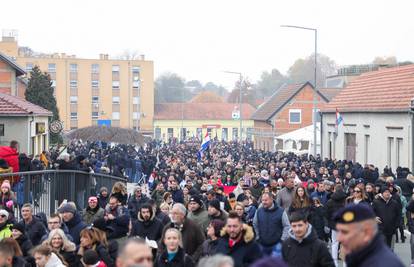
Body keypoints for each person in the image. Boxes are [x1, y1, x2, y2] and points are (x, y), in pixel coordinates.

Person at [334, 203, 404, 267]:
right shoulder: (359, 256)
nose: (339, 238)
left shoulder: (384, 263)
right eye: (339, 231)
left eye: (345, 232)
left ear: (367, 232)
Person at [253, 192, 289, 256]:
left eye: (266, 200)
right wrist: (258, 237)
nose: (263, 202)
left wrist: (282, 240)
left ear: (271, 199)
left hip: (277, 245)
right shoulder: (259, 211)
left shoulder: (281, 211)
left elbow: (287, 226)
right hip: (262, 244)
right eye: (262, 200)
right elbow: (255, 224)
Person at [325, 184, 347, 267]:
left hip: (334, 225)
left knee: (334, 243)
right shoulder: (345, 200)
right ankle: (345, 263)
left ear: (334, 189)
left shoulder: (330, 201)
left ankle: (335, 262)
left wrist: (330, 222)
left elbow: (326, 214)